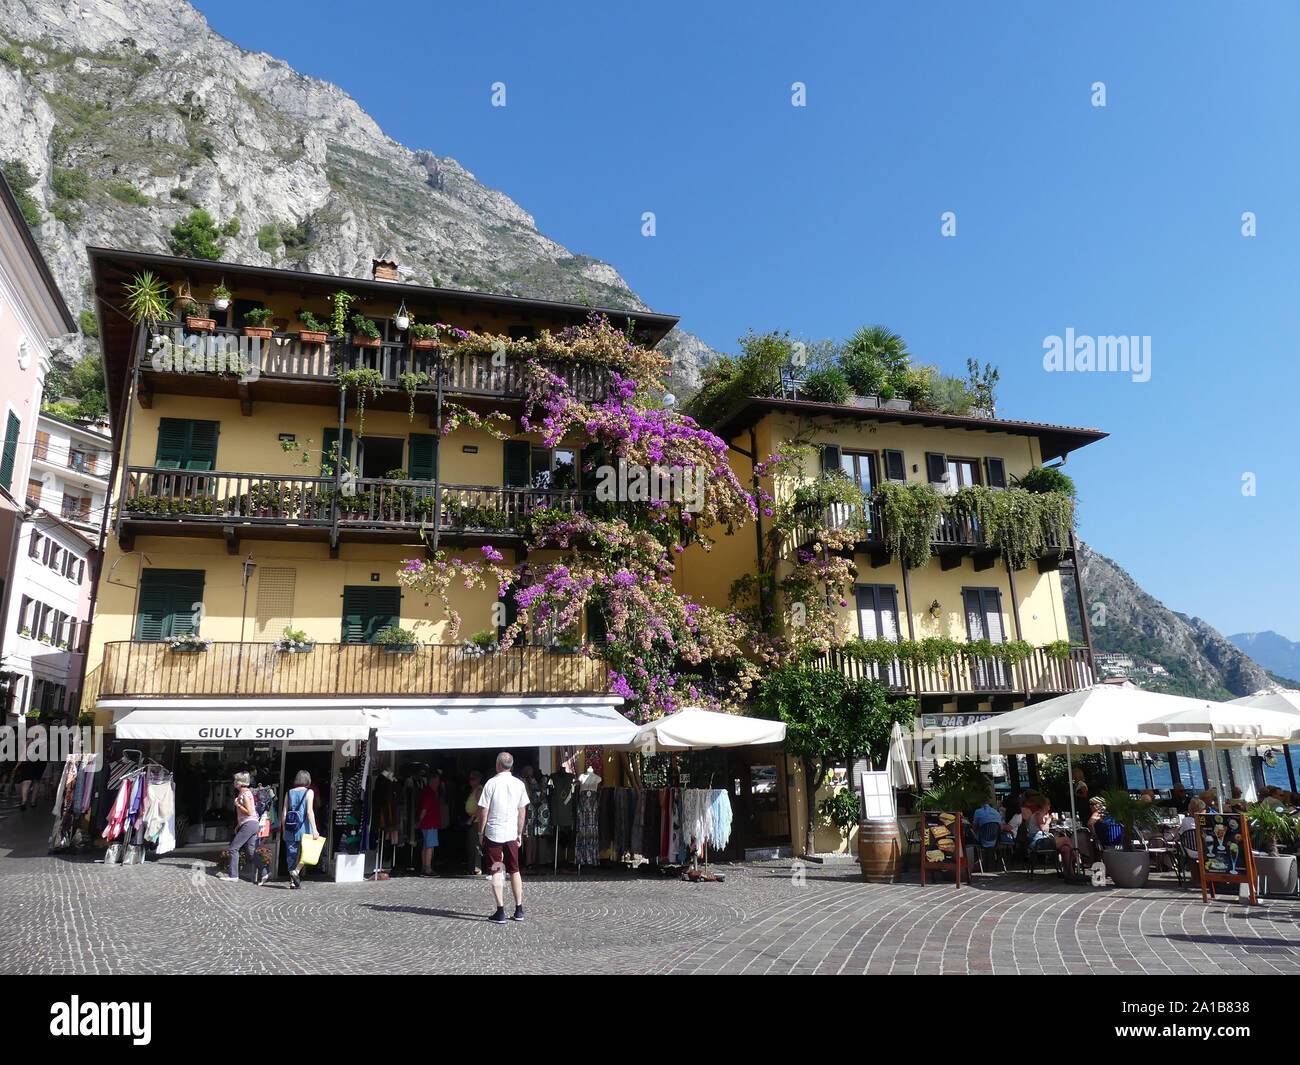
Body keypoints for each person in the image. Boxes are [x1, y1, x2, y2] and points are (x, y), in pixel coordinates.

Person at [478, 752, 530, 923]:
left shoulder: (491, 784)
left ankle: (500, 911)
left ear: (497, 765)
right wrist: (519, 832)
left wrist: (481, 832)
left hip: (494, 832)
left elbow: (484, 811)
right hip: (511, 832)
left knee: (497, 870)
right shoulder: (519, 784)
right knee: (515, 869)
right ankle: (519, 909)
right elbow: (522, 811)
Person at [220, 773, 268, 884]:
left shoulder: (244, 794)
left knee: (233, 848)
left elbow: (250, 812)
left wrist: (238, 805)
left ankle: (233, 875)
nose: (233, 782)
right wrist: (239, 825)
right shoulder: (245, 793)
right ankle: (264, 872)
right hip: (252, 824)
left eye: (235, 781)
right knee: (250, 852)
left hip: (249, 824)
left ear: (239, 783)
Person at [280, 770, 321, 890]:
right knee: (307, 853)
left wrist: (283, 829)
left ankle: (292, 881)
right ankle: (297, 871)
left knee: (291, 854)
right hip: (304, 827)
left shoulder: (289, 792)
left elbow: (284, 812)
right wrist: (315, 829)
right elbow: (309, 811)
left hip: (290, 827)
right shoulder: (309, 792)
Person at [419, 769, 444, 876]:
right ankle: (428, 869)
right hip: (430, 823)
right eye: (437, 783)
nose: (438, 785)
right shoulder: (430, 793)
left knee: (426, 846)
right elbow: (425, 809)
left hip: (427, 823)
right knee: (430, 846)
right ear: (433, 782)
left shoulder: (428, 792)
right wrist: (419, 820)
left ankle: (424, 867)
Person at [463, 771, 484, 875]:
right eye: (470, 779)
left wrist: (472, 818)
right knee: (471, 845)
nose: (470, 781)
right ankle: (472, 867)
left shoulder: (479, 790)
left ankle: (477, 867)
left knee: (476, 845)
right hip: (473, 821)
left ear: (478, 780)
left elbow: (481, 807)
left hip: (477, 822)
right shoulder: (474, 790)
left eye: (473, 779)